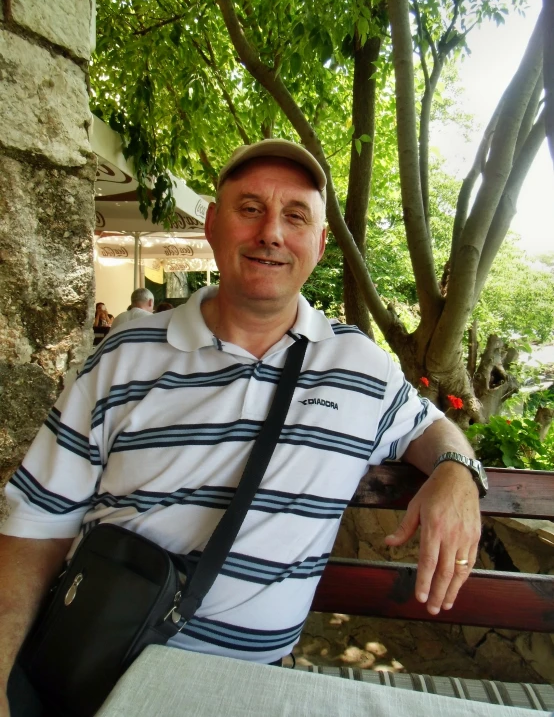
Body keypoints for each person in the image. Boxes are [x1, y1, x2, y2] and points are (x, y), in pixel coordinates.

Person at [0, 140, 483, 715]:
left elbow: (430, 429)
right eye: (249, 208)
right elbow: (36, 526)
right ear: (212, 224)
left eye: (296, 215)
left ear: (320, 244)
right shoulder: (124, 355)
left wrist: (457, 471)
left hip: (251, 690)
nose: (271, 232)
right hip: (98, 673)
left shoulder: (358, 366)